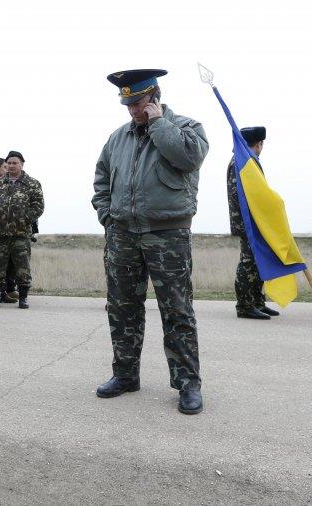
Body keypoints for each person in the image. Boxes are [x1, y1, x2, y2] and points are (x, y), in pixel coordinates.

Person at [92, 68, 209, 415]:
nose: (132, 110)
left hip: (167, 234)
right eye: (127, 104)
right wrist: (107, 215)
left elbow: (188, 157)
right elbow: (101, 179)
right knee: (122, 308)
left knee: (177, 310)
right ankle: (125, 375)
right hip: (122, 234)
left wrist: (158, 124)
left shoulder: (186, 127)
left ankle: (188, 384)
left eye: (138, 103)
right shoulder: (117, 138)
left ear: (155, 96)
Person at [228, 126, 277, 320]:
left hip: (255, 220)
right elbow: (242, 194)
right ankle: (245, 306)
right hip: (248, 221)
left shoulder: (247, 159)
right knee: (248, 263)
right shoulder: (241, 161)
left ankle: (257, 302)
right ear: (259, 144)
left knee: (257, 262)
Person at [0, 150, 44, 309]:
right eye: (9, 163)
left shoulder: (32, 184)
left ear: (21, 164)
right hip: (0, 234)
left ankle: (23, 297)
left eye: (15, 163)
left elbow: (38, 206)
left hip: (21, 234)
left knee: (23, 268)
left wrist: (25, 219)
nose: (11, 166)